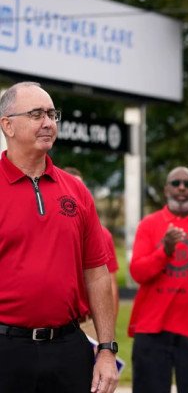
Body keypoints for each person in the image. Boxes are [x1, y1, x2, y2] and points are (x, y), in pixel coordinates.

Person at [0, 81, 118, 393]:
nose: (49, 123)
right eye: (36, 114)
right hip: (6, 351)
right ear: (7, 125)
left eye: (52, 114)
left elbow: (97, 273)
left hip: (68, 349)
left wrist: (106, 349)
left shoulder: (77, 191)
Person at [128, 166, 188, 393]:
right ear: (166, 189)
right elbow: (138, 272)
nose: (181, 188)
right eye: (176, 183)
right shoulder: (149, 224)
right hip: (152, 329)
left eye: (187, 184)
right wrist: (164, 251)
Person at [63, 166, 120, 324]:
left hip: (89, 320)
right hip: (60, 321)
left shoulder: (104, 234)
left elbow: (110, 283)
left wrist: (109, 332)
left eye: (79, 186)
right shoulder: (51, 230)